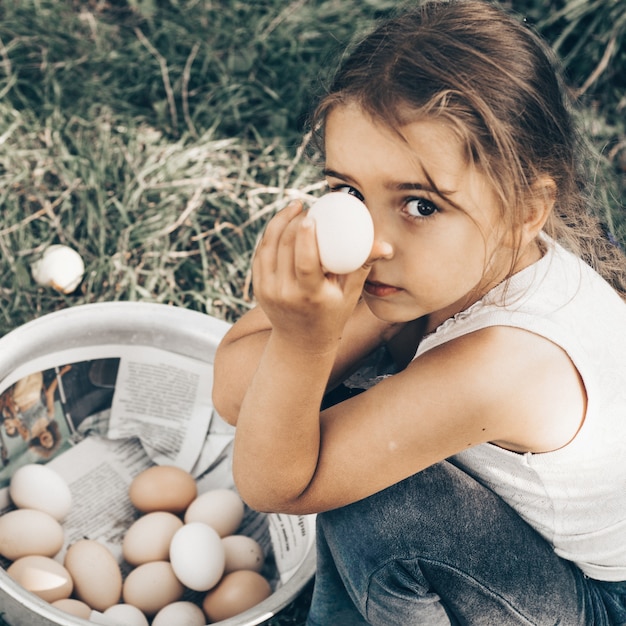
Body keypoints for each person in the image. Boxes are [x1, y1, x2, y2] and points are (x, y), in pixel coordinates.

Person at [212, 0, 626, 623]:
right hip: (532, 544)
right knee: (312, 411)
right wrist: (322, 335)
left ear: (526, 209)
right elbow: (236, 394)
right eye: (350, 193)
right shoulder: (446, 267)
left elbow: (278, 487)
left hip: (597, 602)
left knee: (375, 498)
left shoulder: (504, 366)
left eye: (421, 205)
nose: (372, 243)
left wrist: (304, 346)